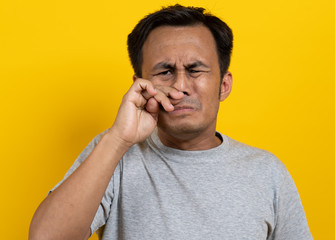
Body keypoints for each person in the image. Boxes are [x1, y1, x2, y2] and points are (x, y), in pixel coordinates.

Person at [29, 4, 312, 240]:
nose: (180, 86)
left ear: (223, 85)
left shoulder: (267, 172)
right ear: (139, 85)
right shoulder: (115, 154)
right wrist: (118, 139)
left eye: (195, 69)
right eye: (164, 72)